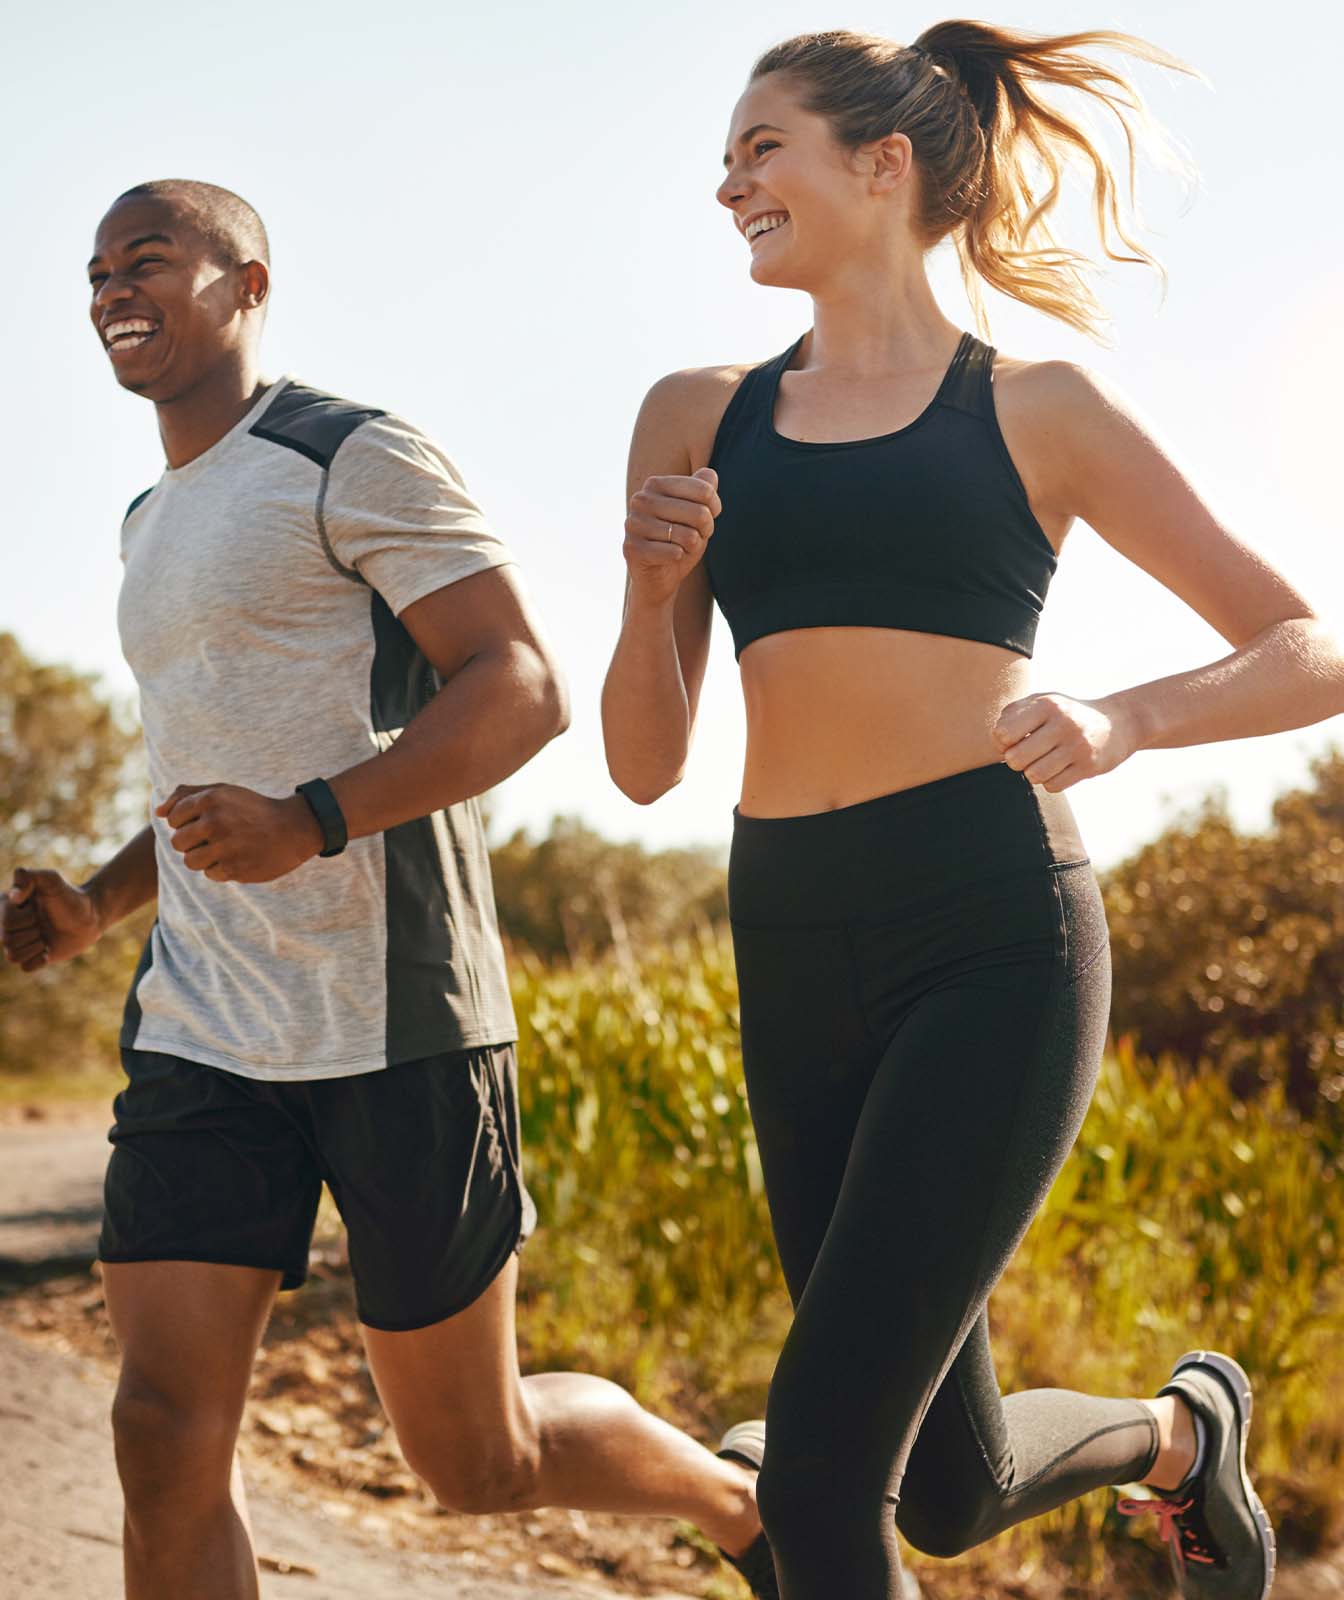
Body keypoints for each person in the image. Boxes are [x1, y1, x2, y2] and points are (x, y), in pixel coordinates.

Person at [601, 22, 1332, 1600]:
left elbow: (1309, 646)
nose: (728, 183)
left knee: (812, 1472)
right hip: (790, 931)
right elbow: (643, 764)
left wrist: (1132, 715)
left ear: (883, 165)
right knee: (945, 1485)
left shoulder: (1038, 408)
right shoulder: (696, 412)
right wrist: (650, 586)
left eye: (760, 148)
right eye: (724, 157)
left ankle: (1168, 1446)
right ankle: (1182, 1439)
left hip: (991, 934)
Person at [0, 179, 765, 1600]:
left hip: (399, 1017)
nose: (113, 286)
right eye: (97, 270)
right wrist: (101, 907)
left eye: (150, 260)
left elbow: (521, 689)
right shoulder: (141, 523)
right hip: (205, 1027)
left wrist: (313, 820)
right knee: (162, 1430)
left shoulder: (348, 452)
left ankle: (739, 1501)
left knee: (477, 1465)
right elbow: (200, 777)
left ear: (249, 283)